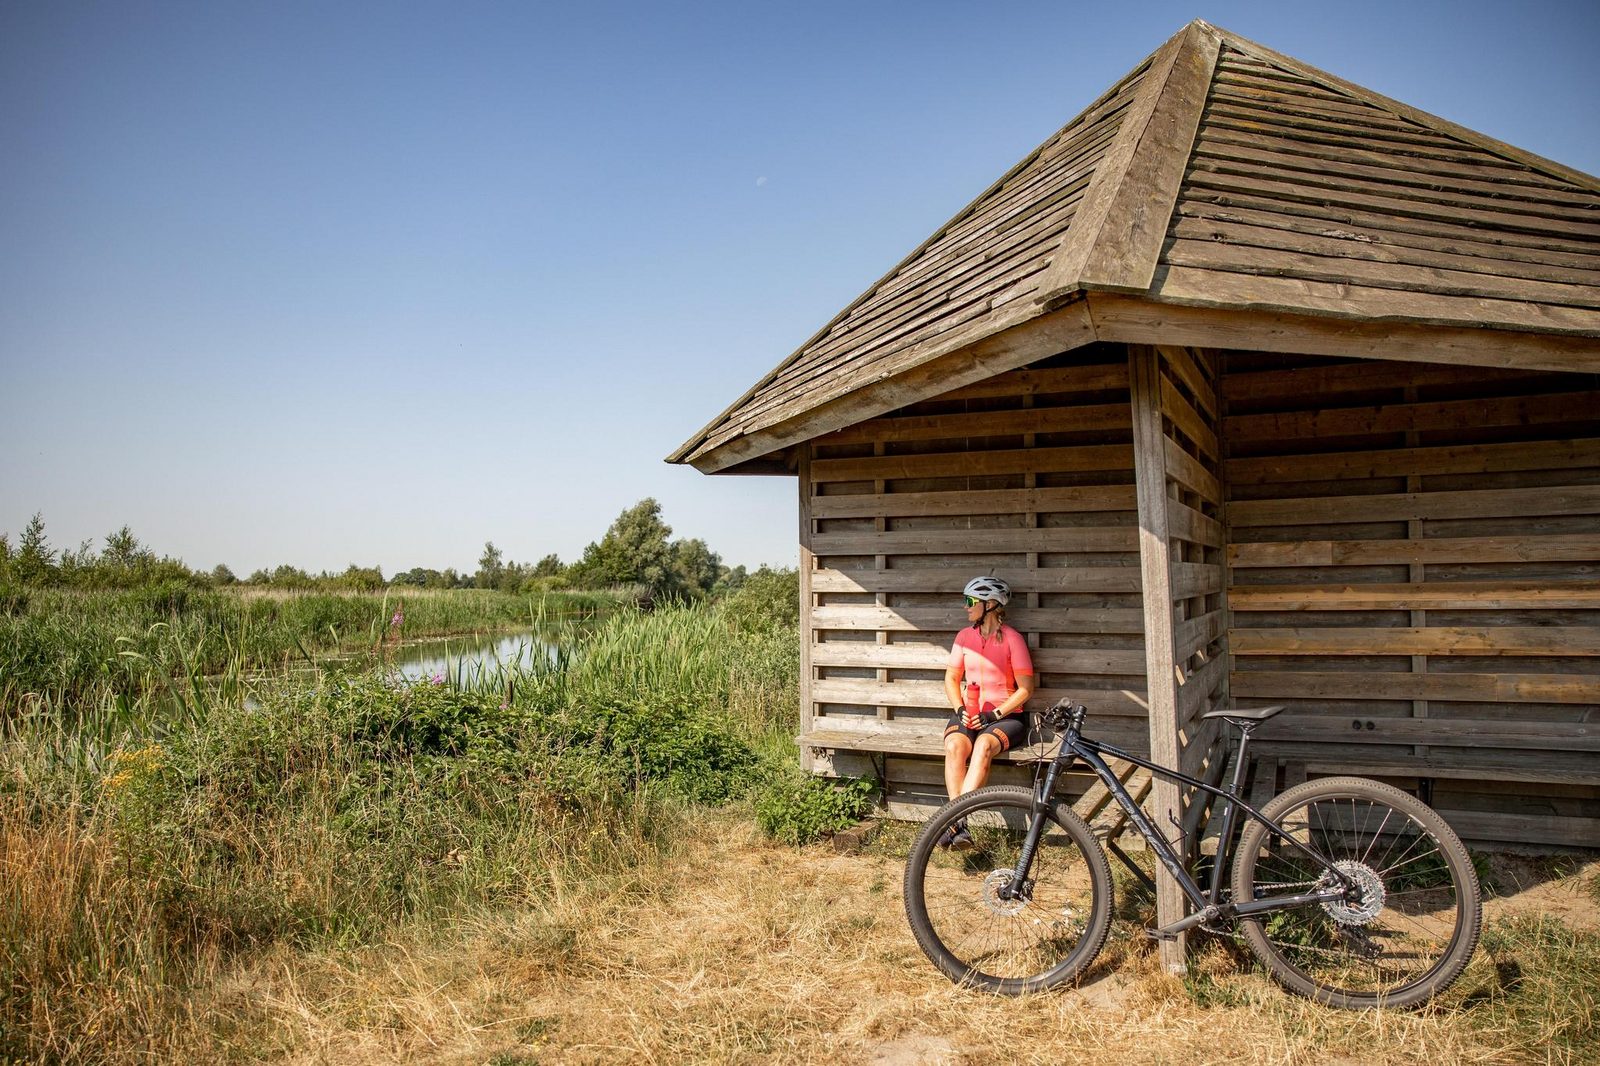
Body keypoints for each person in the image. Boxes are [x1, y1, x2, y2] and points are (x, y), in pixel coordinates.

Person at [939, 575, 1036, 849]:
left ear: (990, 605)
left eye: (971, 601)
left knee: (982, 745)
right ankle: (958, 827)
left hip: (1005, 718)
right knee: (955, 746)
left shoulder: (1013, 640)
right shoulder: (964, 637)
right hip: (969, 712)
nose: (966, 607)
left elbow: (1026, 689)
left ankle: (953, 823)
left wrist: (995, 715)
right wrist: (959, 708)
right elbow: (951, 679)